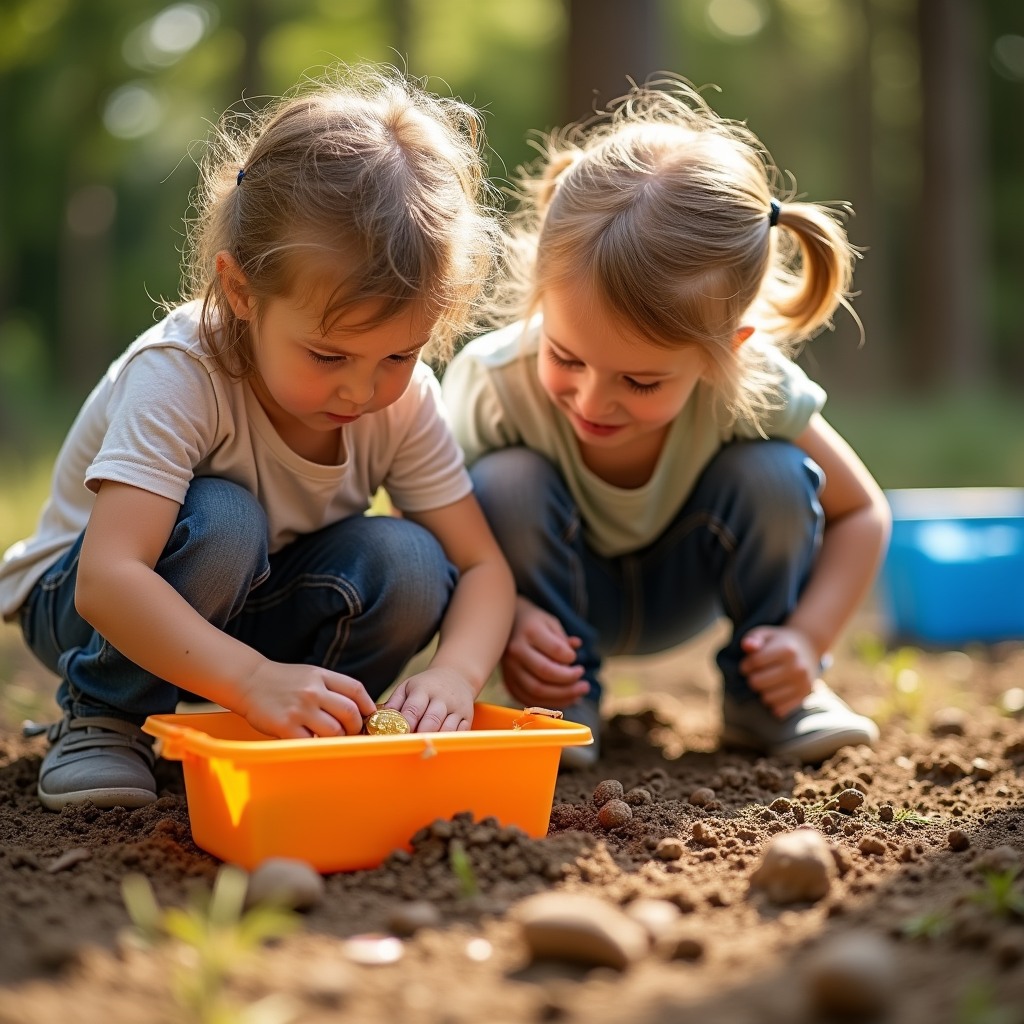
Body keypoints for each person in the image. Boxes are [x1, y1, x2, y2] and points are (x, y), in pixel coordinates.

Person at [0, 65, 516, 810]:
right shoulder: (182, 371)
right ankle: (103, 717)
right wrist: (246, 677)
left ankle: (315, 722)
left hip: (252, 600)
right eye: (329, 355)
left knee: (409, 558)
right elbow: (110, 577)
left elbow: (482, 567)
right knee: (224, 521)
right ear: (242, 292)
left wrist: (455, 675)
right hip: (90, 604)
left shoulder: (404, 405)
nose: (361, 391)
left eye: (399, 355)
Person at [441, 77, 891, 769]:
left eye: (641, 381)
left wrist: (806, 638)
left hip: (690, 587)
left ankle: (767, 704)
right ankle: (561, 707)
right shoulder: (495, 383)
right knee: (504, 482)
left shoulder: (753, 384)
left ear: (726, 352)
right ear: (540, 290)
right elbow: (439, 530)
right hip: (555, 608)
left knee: (772, 474)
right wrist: (511, 621)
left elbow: (862, 513)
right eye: (566, 357)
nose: (592, 402)